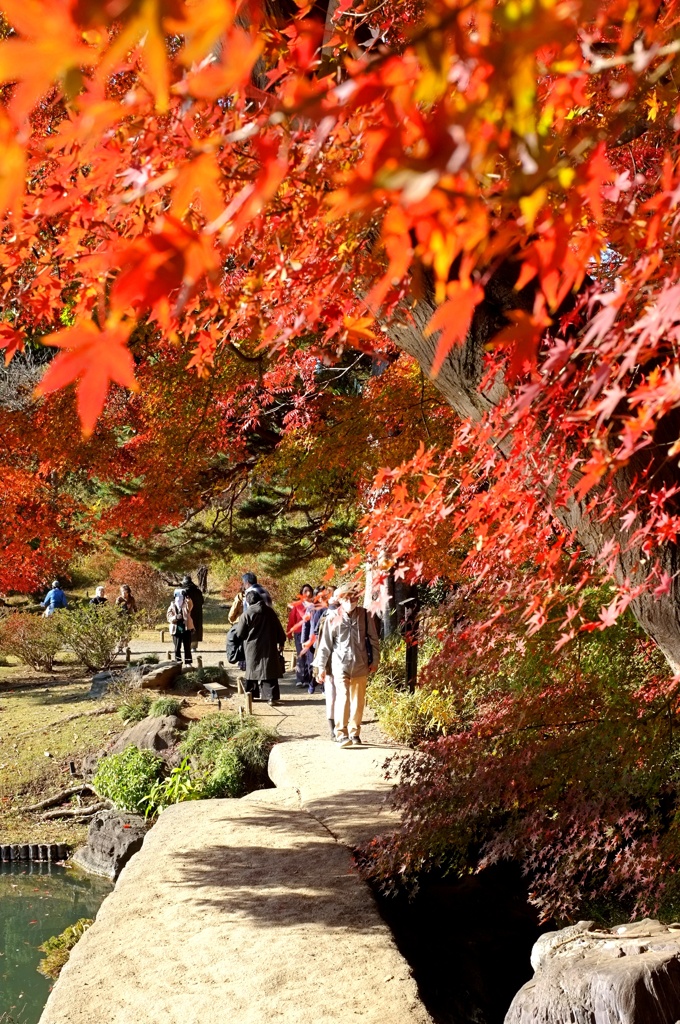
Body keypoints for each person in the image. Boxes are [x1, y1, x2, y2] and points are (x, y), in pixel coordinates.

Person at [313, 583, 380, 748]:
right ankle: (341, 733)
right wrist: (321, 667)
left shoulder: (365, 615)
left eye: (354, 598)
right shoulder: (332, 617)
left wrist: (375, 661)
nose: (351, 601)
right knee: (342, 698)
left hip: (360, 663)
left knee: (358, 701)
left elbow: (374, 640)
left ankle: (354, 732)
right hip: (340, 664)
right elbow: (325, 645)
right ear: (340, 600)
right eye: (347, 598)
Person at [233, 587, 286, 706]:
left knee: (252, 671)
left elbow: (240, 633)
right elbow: (278, 628)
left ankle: (251, 695)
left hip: (252, 648)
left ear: (248, 602)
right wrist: (281, 642)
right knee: (269, 671)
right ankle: (271, 698)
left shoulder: (247, 614)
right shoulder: (270, 612)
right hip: (269, 646)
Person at [287, 584, 314, 687]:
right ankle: (300, 678)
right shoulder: (297, 606)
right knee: (301, 655)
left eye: (309, 591)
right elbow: (292, 620)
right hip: (299, 633)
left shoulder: (314, 605)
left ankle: (308, 678)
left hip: (310, 634)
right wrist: (289, 633)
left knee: (309, 656)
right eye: (305, 591)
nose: (307, 593)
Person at [167, 587, 194, 666]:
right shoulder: (172, 606)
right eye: (178, 597)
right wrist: (175, 617)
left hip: (186, 628)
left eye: (181, 597)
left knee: (187, 647)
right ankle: (178, 662)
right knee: (177, 647)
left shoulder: (186, 605)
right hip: (176, 629)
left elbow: (190, 606)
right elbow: (169, 618)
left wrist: (188, 598)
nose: (179, 599)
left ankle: (188, 662)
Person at [182, 575, 204, 651]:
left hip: (188, 612)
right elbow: (202, 601)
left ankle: (187, 645)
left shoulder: (184, 591)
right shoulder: (197, 591)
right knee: (196, 627)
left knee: (187, 627)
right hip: (197, 613)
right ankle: (194, 646)